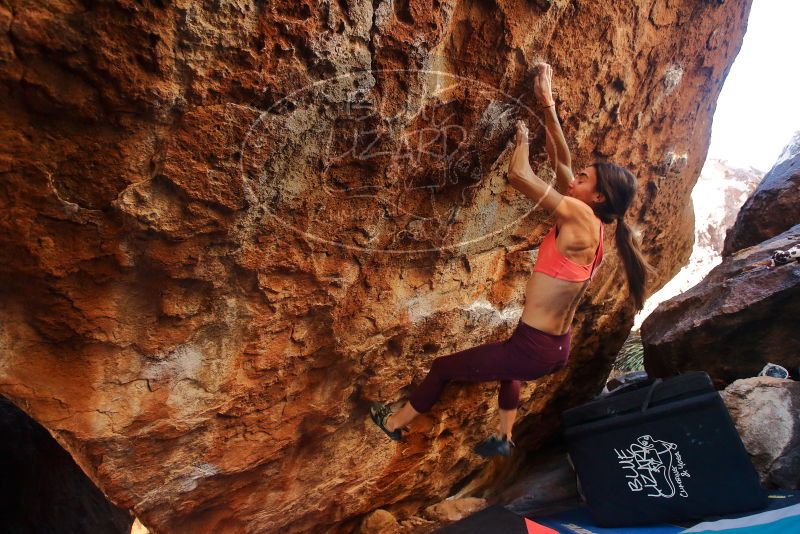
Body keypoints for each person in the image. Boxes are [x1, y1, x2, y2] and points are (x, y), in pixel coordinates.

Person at [369, 62, 652, 457]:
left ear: (598, 196)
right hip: (554, 349)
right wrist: (548, 106)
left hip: (535, 348)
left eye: (585, 180)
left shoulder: (577, 215)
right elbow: (563, 163)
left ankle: (394, 423)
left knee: (445, 369)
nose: (575, 179)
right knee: (511, 366)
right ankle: (504, 436)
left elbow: (519, 176)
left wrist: (520, 137)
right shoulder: (598, 226)